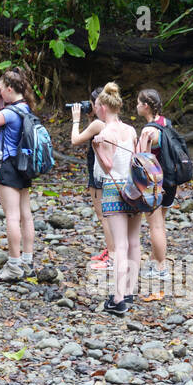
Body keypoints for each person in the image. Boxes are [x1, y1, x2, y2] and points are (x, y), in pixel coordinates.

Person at [84, 82, 140, 315]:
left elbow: (107, 167)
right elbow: (136, 159)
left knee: (119, 244)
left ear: (103, 108)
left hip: (114, 188)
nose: (95, 109)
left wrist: (97, 148)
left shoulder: (105, 133)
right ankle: (130, 290)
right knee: (134, 241)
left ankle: (118, 298)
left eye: (96, 106)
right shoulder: (130, 130)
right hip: (135, 188)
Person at [0, 66, 37, 281]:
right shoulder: (26, 108)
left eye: (1, 88)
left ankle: (13, 265)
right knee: (26, 215)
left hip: (9, 166)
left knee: (12, 217)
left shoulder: (9, 113)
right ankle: (27, 260)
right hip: (24, 165)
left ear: (10, 89)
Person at [134, 89, 175, 287]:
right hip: (170, 180)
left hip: (154, 182)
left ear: (146, 106)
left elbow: (141, 158)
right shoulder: (166, 122)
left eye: (138, 103)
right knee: (161, 223)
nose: (136, 106)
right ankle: (154, 262)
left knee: (155, 226)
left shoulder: (148, 131)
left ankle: (161, 267)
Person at [70, 87, 111, 271]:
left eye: (92, 104)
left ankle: (112, 252)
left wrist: (76, 120)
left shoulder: (98, 125)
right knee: (110, 215)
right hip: (109, 172)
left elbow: (75, 140)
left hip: (98, 173)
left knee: (104, 217)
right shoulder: (110, 122)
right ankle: (111, 250)